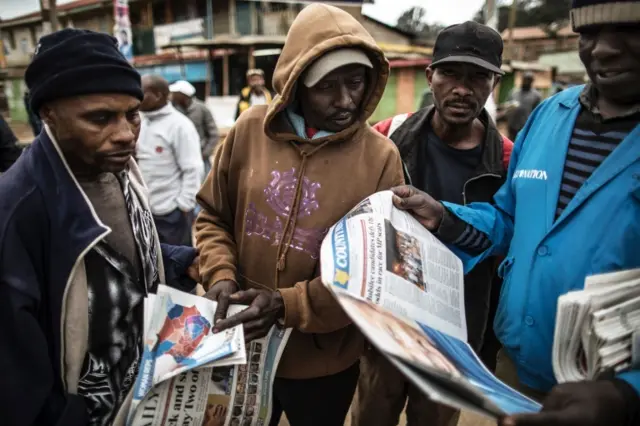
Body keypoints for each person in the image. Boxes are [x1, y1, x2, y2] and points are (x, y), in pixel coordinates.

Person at [391, 1, 640, 425]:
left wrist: (627, 392)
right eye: (589, 33)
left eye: (627, 31)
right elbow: (509, 219)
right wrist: (446, 218)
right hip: (515, 372)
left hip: (607, 398)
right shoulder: (549, 117)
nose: (602, 50)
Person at [195, 4, 404, 426]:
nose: (346, 99)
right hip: (242, 346)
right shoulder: (249, 130)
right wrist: (220, 276)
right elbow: (213, 217)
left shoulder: (382, 158)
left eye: (356, 82)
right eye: (327, 85)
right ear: (295, 84)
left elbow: (375, 273)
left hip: (325, 360)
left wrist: (287, 305)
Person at [0, 29, 199, 426]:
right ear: (48, 115)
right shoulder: (17, 214)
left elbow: (119, 257)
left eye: (132, 114)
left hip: (142, 392)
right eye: (100, 118)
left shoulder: (117, 168)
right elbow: (18, 385)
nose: (125, 133)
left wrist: (182, 262)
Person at [354, 21, 513, 426]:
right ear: (431, 76)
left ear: (493, 84)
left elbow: (509, 238)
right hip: (389, 319)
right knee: (374, 411)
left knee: (435, 419)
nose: (463, 88)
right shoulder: (388, 136)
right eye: (451, 74)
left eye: (478, 76)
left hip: (457, 327)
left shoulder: (508, 160)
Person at [136, 74, 204, 246]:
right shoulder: (141, 123)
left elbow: (193, 169)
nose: (136, 96)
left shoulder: (180, 126)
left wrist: (183, 206)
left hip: (171, 213)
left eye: (141, 93)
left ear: (158, 96)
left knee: (178, 266)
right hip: (145, 212)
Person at [170, 80, 219, 177]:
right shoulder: (173, 110)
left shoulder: (202, 109)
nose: (172, 96)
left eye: (175, 93)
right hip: (180, 160)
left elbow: (213, 134)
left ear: (184, 95)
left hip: (201, 159)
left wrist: (204, 154)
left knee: (204, 188)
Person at [504, 71, 542, 141]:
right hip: (512, 124)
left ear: (532, 81)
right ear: (522, 79)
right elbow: (507, 105)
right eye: (525, 79)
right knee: (510, 143)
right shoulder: (514, 92)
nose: (526, 82)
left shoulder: (536, 95)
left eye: (529, 80)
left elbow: (537, 113)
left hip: (525, 126)